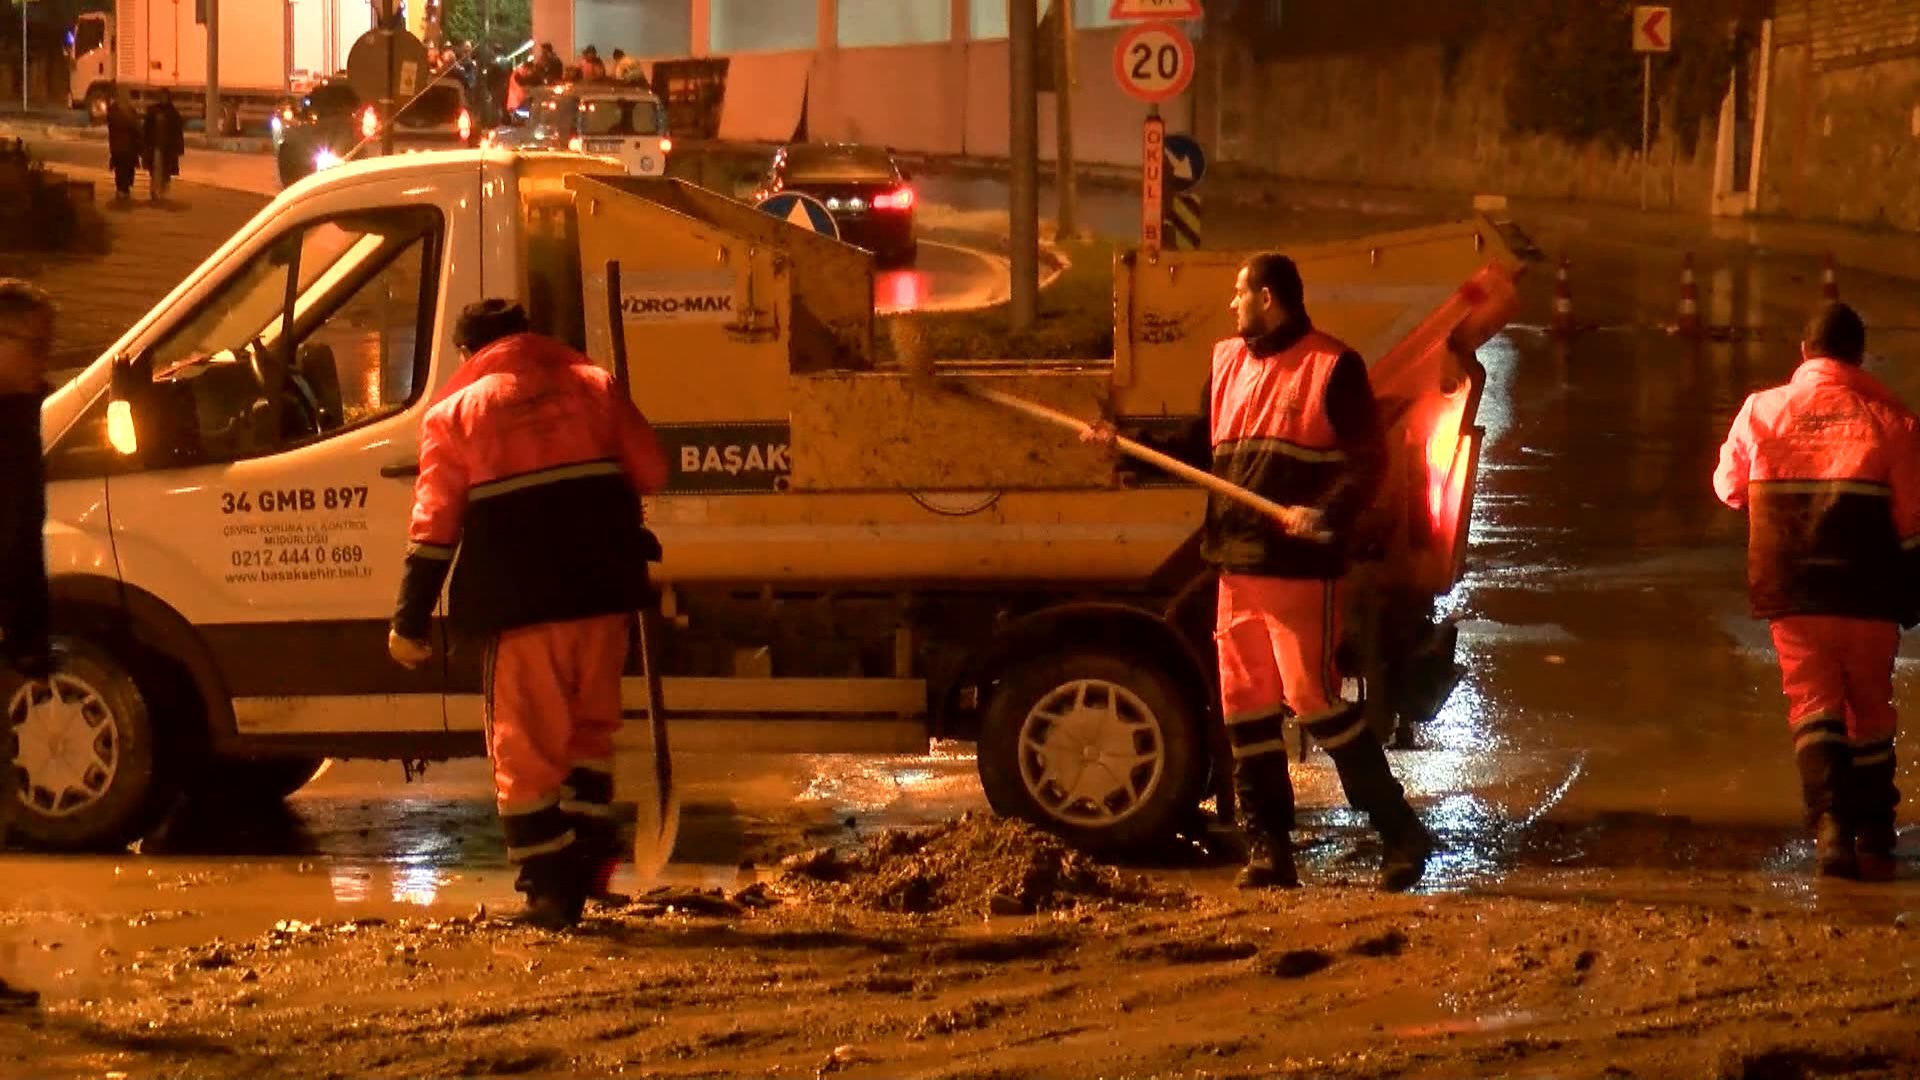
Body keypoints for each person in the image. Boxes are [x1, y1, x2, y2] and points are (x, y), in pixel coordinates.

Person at [1085, 254, 1432, 892]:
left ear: (1268, 298)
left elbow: (1368, 463)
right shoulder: (1226, 363)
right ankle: (1270, 850)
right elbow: (1200, 448)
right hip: (1234, 562)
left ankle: (1401, 832)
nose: (1231, 306)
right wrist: (1130, 452)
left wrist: (1323, 513)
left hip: (1298, 568)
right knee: (1245, 709)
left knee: (1315, 702)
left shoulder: (1334, 365)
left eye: (1238, 294)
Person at [388, 300, 668, 929]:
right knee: (589, 735)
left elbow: (434, 528)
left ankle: (550, 892)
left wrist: (409, 619)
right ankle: (590, 863)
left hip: (522, 608)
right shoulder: (596, 385)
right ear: (527, 336)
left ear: (469, 354)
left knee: (525, 749)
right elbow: (652, 470)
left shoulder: (454, 415)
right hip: (603, 598)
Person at [1714, 302, 1918, 882]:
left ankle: (1832, 831)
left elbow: (1729, 488)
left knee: (1814, 705)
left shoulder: (1761, 410)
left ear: (1804, 353)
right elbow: (1912, 520)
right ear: (1859, 355)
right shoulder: (1893, 419)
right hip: (1867, 589)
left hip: (1794, 586)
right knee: (1871, 708)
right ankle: (1877, 827)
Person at [0, 281, 54, 1012]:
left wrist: (33, 634)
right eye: (33, 346)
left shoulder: (18, 416)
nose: (46, 363)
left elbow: (22, 538)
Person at [141, 89, 185, 201]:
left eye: (165, 97)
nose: (163, 99)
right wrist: (144, 145)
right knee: (155, 170)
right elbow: (146, 129)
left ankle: (163, 192)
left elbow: (177, 132)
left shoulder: (173, 113)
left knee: (166, 171)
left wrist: (179, 148)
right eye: (162, 96)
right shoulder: (153, 111)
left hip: (167, 148)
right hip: (155, 147)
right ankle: (155, 191)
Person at [105, 91, 143, 199]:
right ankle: (122, 189)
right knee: (122, 169)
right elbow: (135, 126)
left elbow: (136, 127)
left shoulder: (125, 111)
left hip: (126, 147)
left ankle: (123, 189)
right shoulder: (117, 111)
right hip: (122, 146)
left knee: (125, 169)